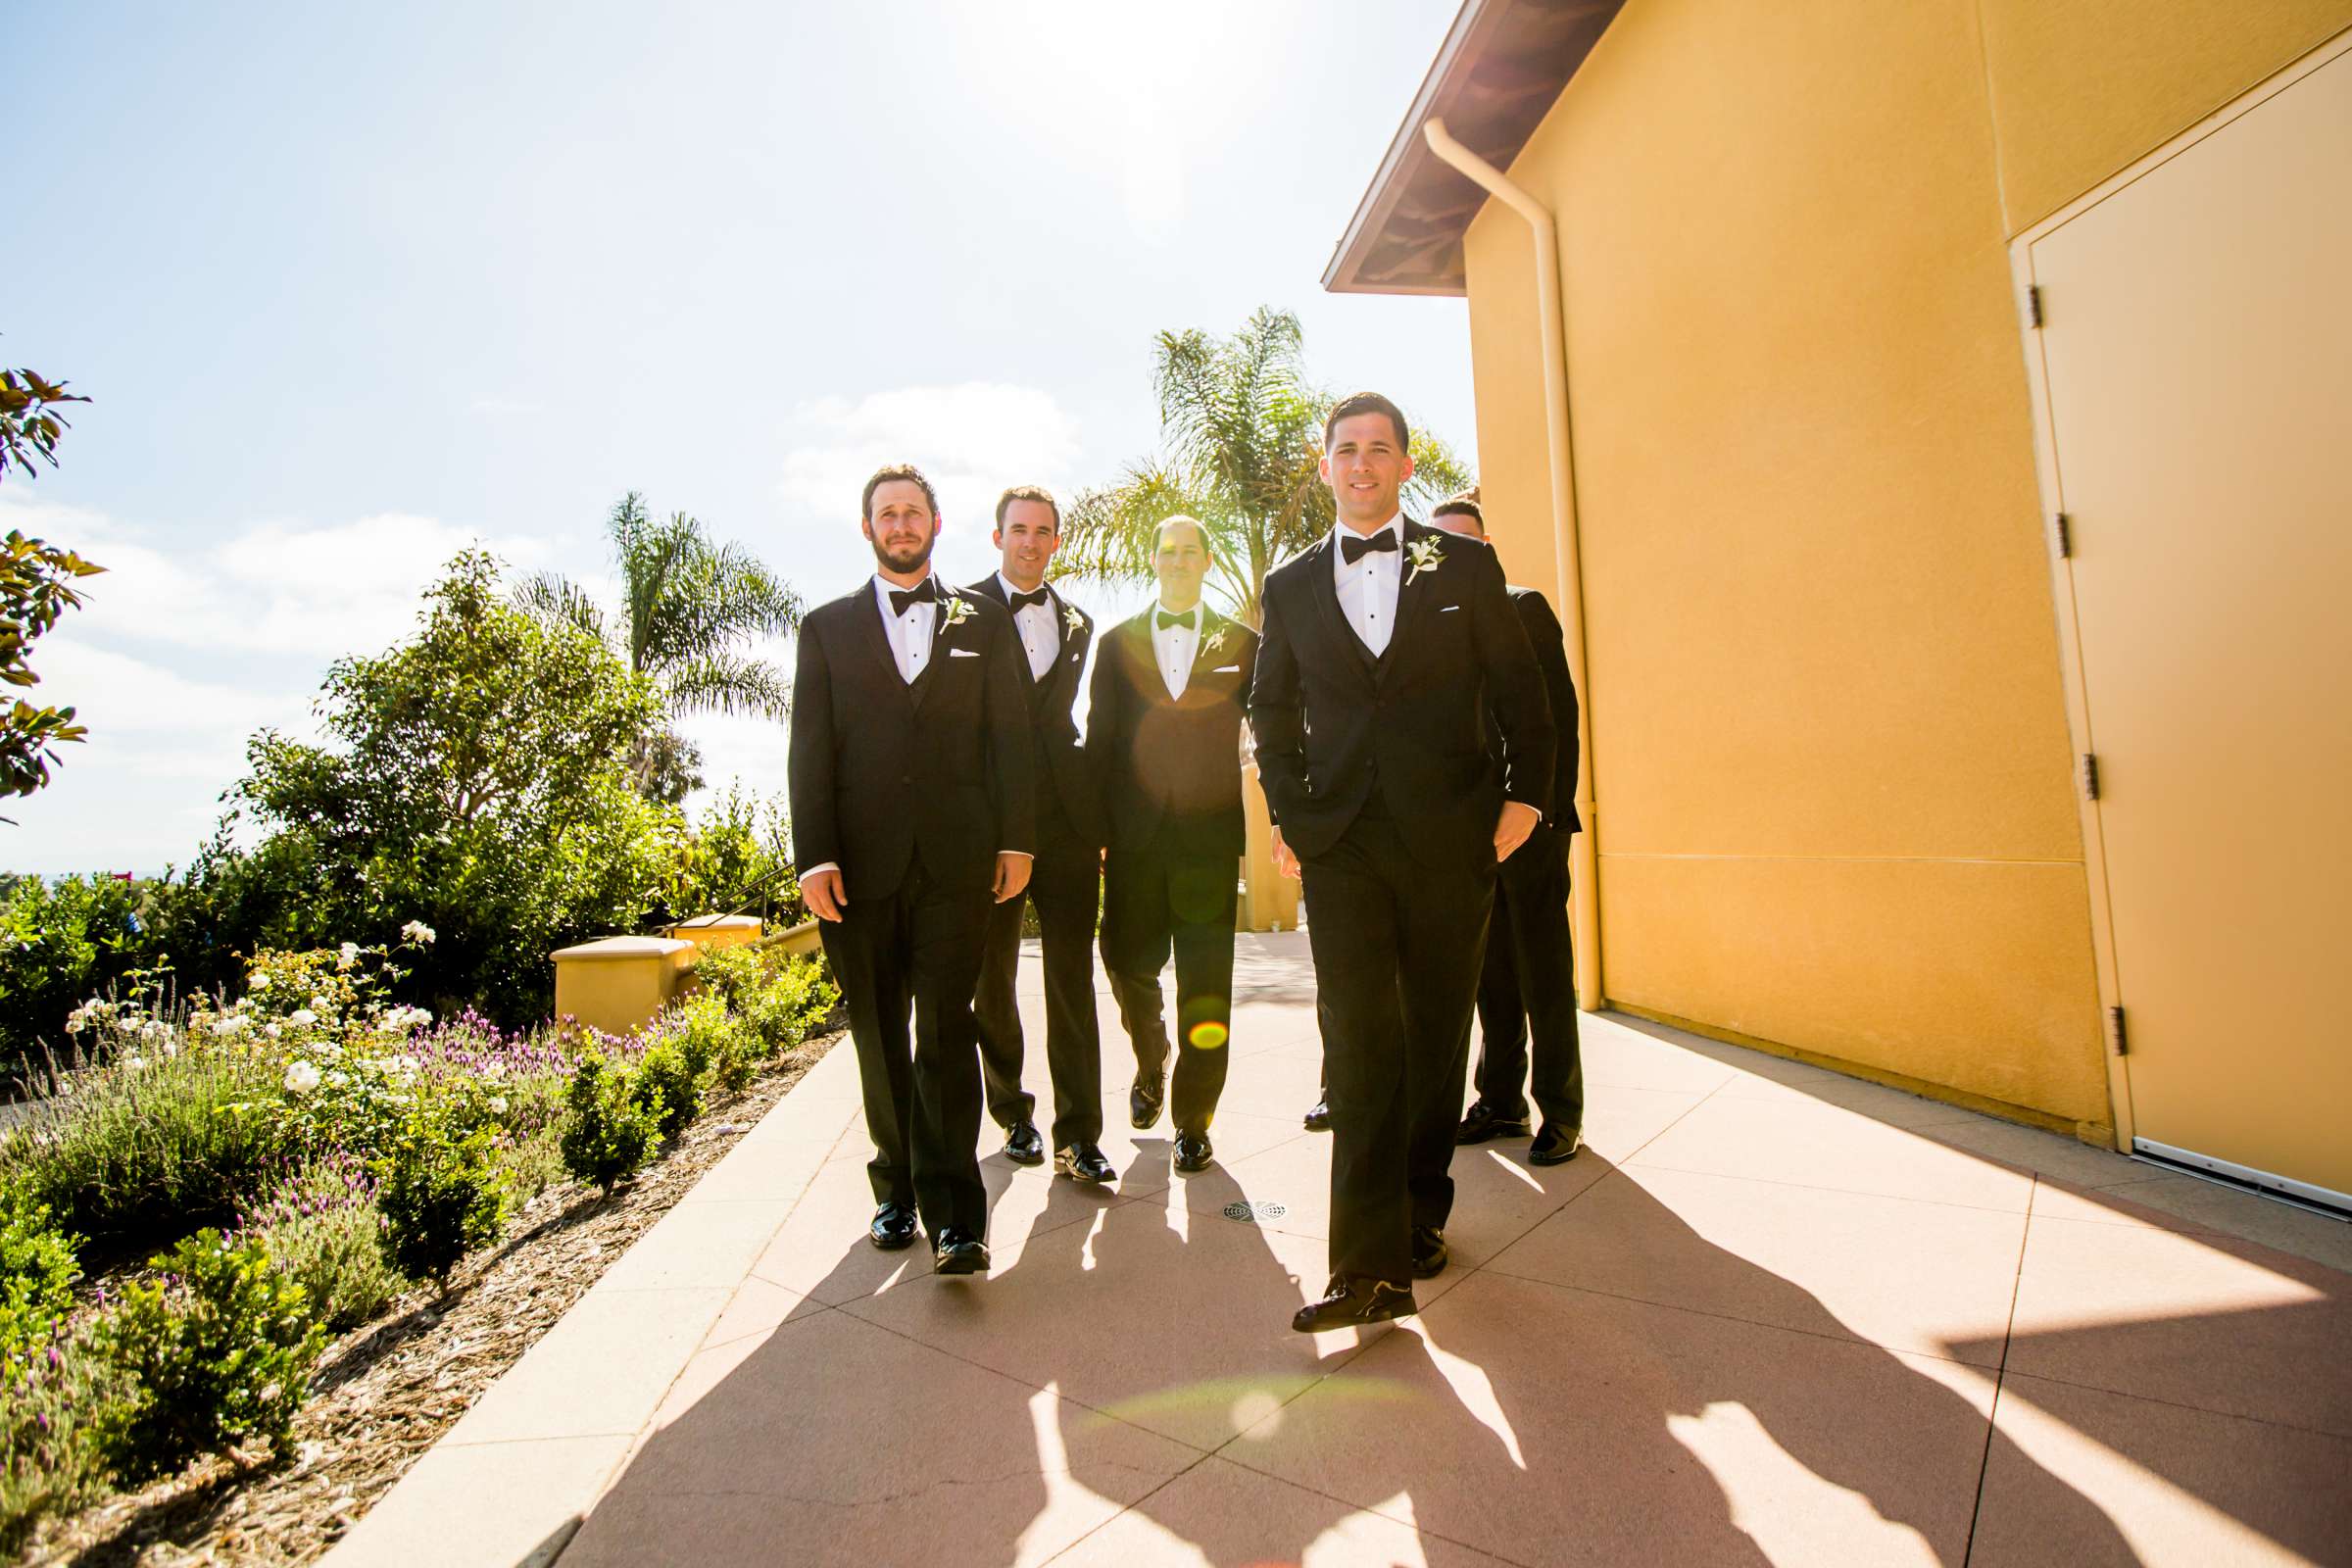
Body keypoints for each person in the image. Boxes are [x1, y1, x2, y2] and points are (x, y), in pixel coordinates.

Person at [1251, 393, 1553, 1332]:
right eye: (1346, 450)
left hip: (1450, 837)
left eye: (1379, 450)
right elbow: (1269, 711)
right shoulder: (1291, 583)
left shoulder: (1464, 562)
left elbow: (1522, 696)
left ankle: (1422, 1210)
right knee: (1358, 1039)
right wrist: (1297, 814)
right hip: (1341, 845)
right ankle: (1364, 1266)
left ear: (1405, 466)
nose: (1362, 465)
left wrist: (1524, 801)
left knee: (1432, 1031)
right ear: (1326, 464)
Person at [788, 463, 1034, 1277]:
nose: (900, 525)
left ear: (936, 523)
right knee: (880, 1037)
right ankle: (893, 1187)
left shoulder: (985, 620)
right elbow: (810, 752)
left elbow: (1011, 737)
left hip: (957, 863)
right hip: (858, 868)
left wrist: (1016, 839)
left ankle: (959, 1216)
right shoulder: (824, 628)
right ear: (868, 529)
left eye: (912, 512)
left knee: (946, 1032)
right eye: (886, 514)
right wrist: (814, 856)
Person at [1087, 515, 1258, 1177]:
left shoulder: (1244, 643)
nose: (1179, 561)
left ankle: (1193, 1121)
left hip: (1209, 843)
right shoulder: (1114, 644)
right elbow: (1101, 743)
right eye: (1169, 552)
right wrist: (1098, 833)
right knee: (1127, 960)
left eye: (1191, 552)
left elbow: (1271, 727)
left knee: (1206, 985)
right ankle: (1151, 1055)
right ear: (1154, 562)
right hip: (1133, 840)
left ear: (1207, 561)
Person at [963, 485, 1115, 1185]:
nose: (1030, 541)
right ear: (997, 537)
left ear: (1057, 542)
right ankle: (1013, 1113)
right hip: (989, 824)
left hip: (1067, 819)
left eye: (1043, 531)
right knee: (993, 977)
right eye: (1018, 529)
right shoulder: (956, 614)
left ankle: (1079, 1134)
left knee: (1071, 977)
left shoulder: (1080, 621)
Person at [1427, 495, 1586, 1165]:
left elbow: (1559, 721)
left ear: (1486, 546)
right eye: (1441, 547)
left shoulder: (1525, 607)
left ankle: (1561, 1111)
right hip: (1468, 833)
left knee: (1543, 972)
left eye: (1466, 543)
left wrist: (1543, 811)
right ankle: (1499, 1100)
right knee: (1489, 974)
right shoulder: (1431, 628)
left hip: (1533, 825)